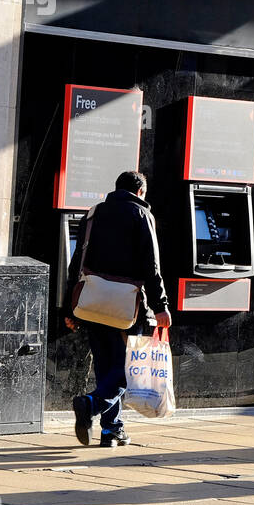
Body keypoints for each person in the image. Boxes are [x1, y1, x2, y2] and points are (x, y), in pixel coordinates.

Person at [66, 171, 172, 447]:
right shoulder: (141, 215)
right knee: (129, 368)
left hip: (92, 303)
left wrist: (68, 307)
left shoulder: (94, 213)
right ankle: (91, 404)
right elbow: (152, 267)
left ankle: (111, 430)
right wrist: (161, 306)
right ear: (140, 192)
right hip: (128, 306)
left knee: (105, 366)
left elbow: (77, 261)